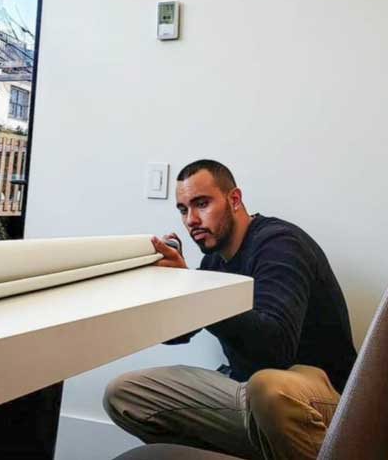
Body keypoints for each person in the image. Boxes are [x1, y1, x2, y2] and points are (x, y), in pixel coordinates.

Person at [103, 160, 357, 460]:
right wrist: (168, 286)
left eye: (201, 204)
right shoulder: (213, 263)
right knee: (123, 394)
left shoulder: (279, 244)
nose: (191, 219)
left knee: (269, 387)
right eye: (183, 210)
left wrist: (195, 289)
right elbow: (177, 335)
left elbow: (276, 349)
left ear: (234, 199)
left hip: (317, 400)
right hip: (246, 395)